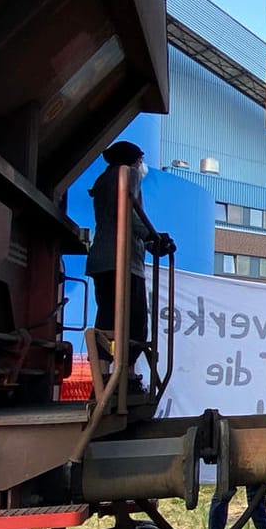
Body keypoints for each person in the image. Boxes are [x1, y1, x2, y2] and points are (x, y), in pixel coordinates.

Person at [86, 140, 171, 391]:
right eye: (140, 160)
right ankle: (128, 376)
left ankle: (103, 377)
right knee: (134, 321)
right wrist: (153, 237)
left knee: (107, 317)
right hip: (123, 261)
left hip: (102, 259)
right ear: (133, 160)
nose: (142, 165)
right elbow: (131, 214)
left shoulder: (103, 181)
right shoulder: (127, 175)